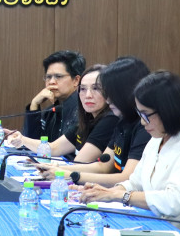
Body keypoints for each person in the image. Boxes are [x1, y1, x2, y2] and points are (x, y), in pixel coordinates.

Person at [81, 72, 180, 236]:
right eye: (139, 114)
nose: (142, 122)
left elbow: (174, 201)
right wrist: (105, 192)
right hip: (152, 228)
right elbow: (136, 182)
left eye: (146, 115)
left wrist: (118, 195)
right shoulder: (157, 139)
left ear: (168, 111)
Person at [37, 56, 151, 186]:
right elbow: (104, 166)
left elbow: (127, 178)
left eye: (100, 90)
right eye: (83, 89)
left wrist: (67, 174)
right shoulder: (123, 121)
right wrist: (58, 169)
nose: (108, 99)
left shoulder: (143, 127)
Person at [6, 65, 118, 162]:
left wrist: (52, 168)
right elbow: (53, 148)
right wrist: (21, 138)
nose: (88, 95)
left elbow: (79, 162)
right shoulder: (87, 120)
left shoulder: (110, 119)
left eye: (96, 88)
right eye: (83, 89)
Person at [22, 50, 85, 141]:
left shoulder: (84, 112)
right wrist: (34, 105)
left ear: (76, 80)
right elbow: (29, 144)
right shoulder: (49, 112)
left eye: (58, 76)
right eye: (48, 77)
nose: (51, 82)